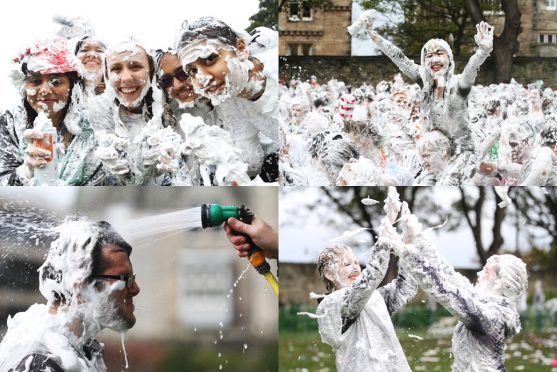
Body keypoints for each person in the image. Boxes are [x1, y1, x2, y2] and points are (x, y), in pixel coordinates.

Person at [380, 199, 528, 371]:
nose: (479, 274)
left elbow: (445, 291)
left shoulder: (494, 317)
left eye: (486, 271)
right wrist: (416, 236)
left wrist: (404, 251)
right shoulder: (480, 300)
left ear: (503, 283)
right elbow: (447, 274)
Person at [349, 11, 494, 184]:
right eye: (429, 55)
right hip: (431, 153)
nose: (434, 59)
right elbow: (400, 58)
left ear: (449, 59)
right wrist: (373, 34)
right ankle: (496, 171)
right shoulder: (424, 82)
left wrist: (482, 52)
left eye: (440, 53)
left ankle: (497, 171)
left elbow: (470, 71)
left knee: (448, 183)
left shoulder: (458, 85)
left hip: (462, 152)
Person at [0, 218, 140, 371]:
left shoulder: (80, 353)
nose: (135, 289)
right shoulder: (41, 364)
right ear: (81, 288)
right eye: (125, 279)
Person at [315, 187, 416, 372]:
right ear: (330, 275)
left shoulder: (372, 298)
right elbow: (370, 279)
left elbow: (405, 288)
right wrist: (387, 226)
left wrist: (408, 246)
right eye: (346, 264)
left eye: (356, 262)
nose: (355, 267)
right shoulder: (335, 304)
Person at [176, 17, 279, 180]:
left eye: (210, 59)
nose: (203, 79)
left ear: (241, 48)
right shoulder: (228, 103)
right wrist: (218, 156)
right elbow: (251, 164)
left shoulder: (279, 67)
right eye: (193, 71)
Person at [0, 36, 104, 186]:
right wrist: (25, 171)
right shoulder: (8, 122)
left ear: (72, 86)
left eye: (56, 82)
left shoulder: (93, 128)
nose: (44, 90)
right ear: (24, 86)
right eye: (35, 81)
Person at [89, 39, 185, 185]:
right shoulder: (94, 118)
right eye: (116, 69)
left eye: (135, 67)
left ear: (151, 72)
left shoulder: (175, 109)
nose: (126, 78)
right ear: (107, 76)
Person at [75, 36, 107, 101]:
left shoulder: (117, 94)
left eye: (99, 51)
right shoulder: (67, 93)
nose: (92, 55)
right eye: (84, 50)